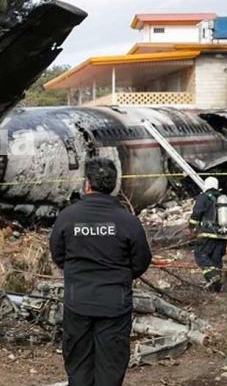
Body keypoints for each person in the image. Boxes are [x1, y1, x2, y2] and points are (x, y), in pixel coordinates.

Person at [49, 157, 152, 386]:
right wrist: (121, 276)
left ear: (87, 184)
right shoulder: (128, 221)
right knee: (111, 367)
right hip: (115, 303)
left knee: (79, 366)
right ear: (114, 185)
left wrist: (78, 274)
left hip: (78, 301)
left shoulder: (68, 217)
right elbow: (142, 260)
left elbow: (58, 255)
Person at [189, 176, 227, 291]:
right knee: (216, 259)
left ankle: (213, 276)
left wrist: (191, 227)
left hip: (207, 234)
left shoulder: (203, 197)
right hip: (222, 236)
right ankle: (217, 287)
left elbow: (196, 214)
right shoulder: (224, 199)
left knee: (200, 254)